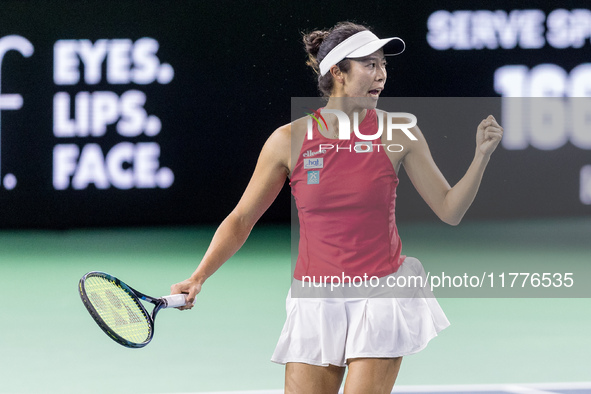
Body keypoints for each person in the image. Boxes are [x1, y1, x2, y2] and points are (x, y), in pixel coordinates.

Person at [171, 21, 503, 393]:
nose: (382, 75)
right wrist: (199, 276)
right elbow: (242, 219)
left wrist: (481, 157)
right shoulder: (288, 140)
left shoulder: (399, 132)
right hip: (315, 297)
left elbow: (449, 209)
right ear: (337, 72)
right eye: (371, 65)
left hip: (381, 293)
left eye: (383, 65)